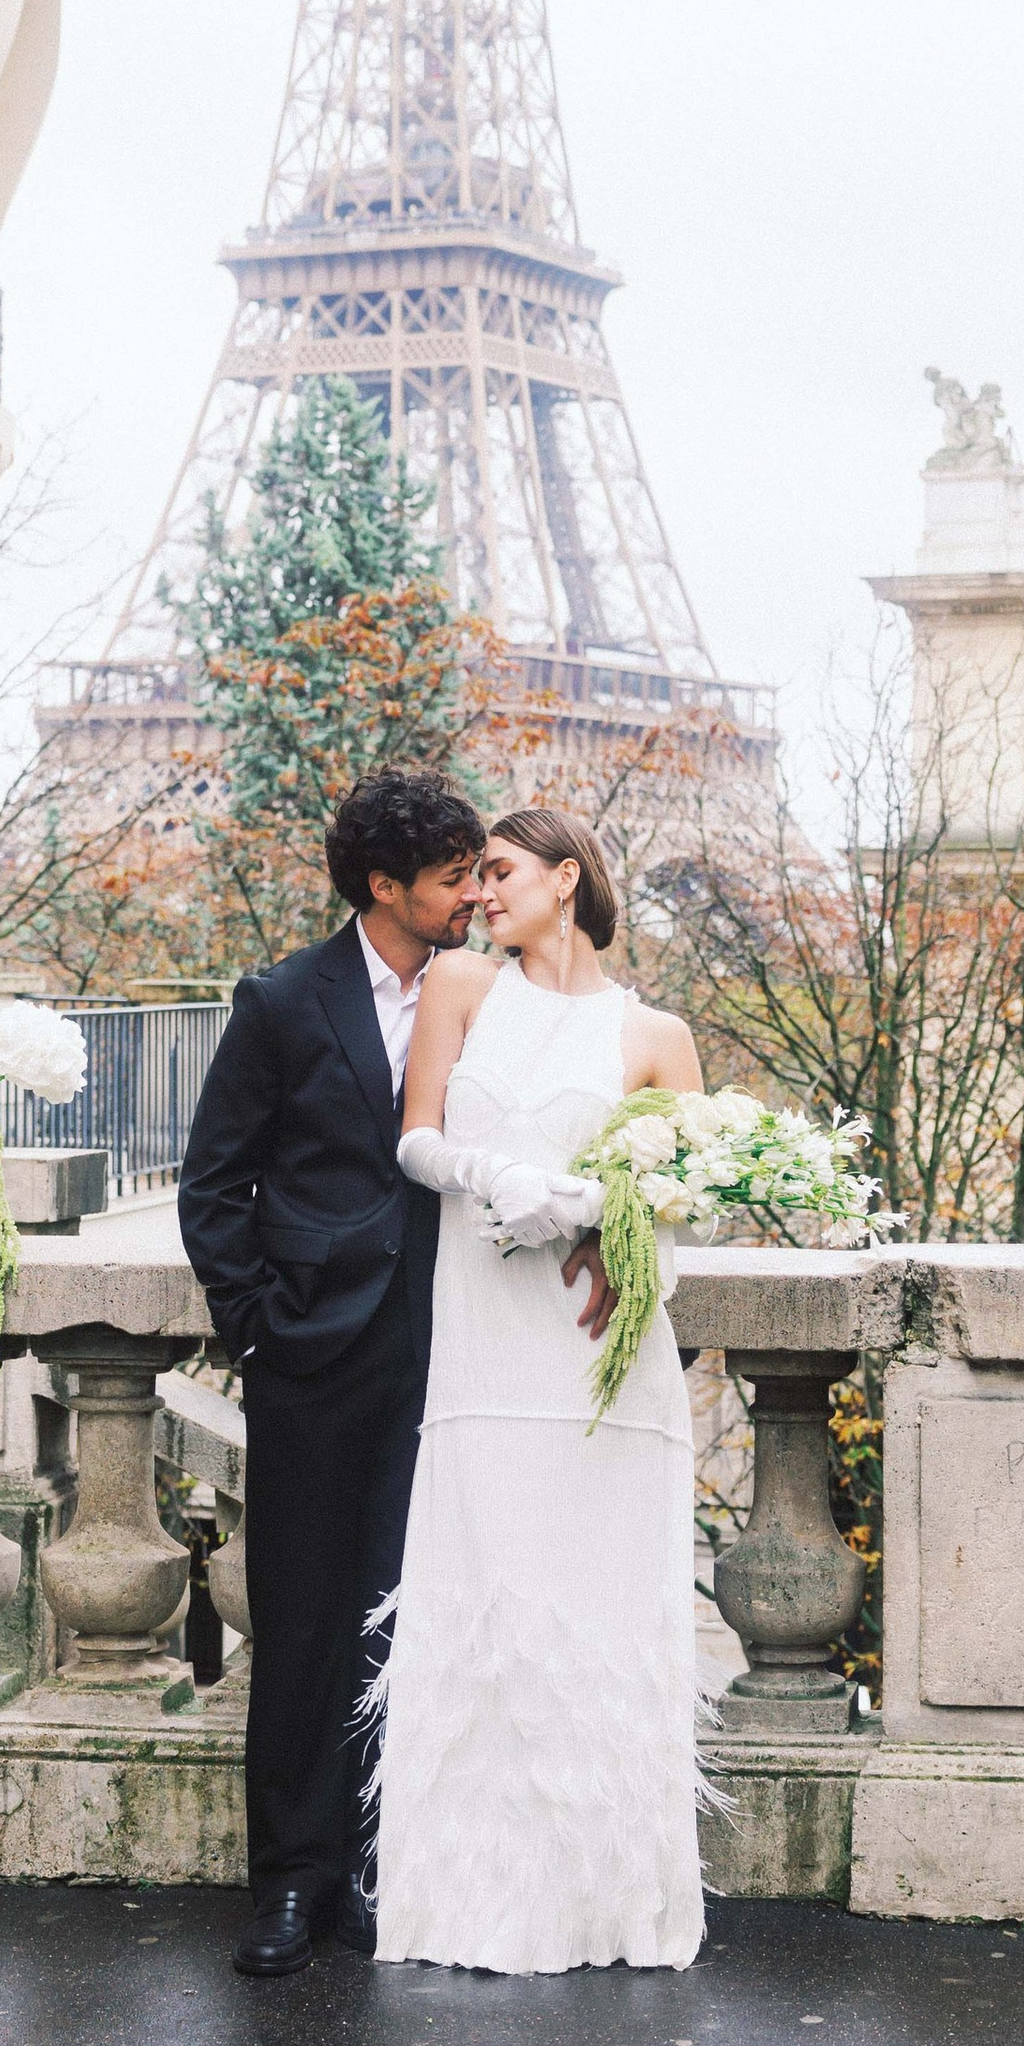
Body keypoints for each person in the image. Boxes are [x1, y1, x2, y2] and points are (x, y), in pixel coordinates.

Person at [374, 804, 708, 1974]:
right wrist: (501, 1175)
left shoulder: (655, 1036)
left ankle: (603, 1904)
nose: (476, 895)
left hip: (593, 1369)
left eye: (500, 873)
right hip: (484, 1357)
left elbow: (678, 1218)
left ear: (567, 880)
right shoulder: (462, 988)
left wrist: (594, 1217)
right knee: (488, 1603)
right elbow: (414, 1139)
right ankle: (467, 1903)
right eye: (470, 880)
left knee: (598, 1617)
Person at [176, 765, 487, 1979]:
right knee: (302, 1623)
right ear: (384, 886)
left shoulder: (490, 997)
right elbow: (216, 1184)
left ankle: (375, 1865)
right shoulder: (283, 1001)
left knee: (404, 1623)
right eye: (454, 876)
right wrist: (257, 1328)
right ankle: (290, 1882)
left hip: (451, 1354)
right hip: (312, 1355)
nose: (472, 894)